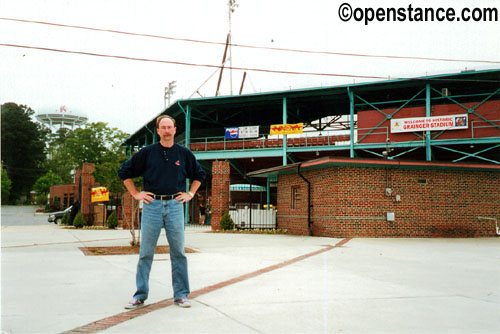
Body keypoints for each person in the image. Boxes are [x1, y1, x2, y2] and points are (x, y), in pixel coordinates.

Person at [118, 115, 205, 309]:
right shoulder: (147, 153)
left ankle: (181, 295)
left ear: (175, 130)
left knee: (179, 253)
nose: (166, 131)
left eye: (169, 127)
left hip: (174, 205)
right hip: (152, 206)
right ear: (158, 131)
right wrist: (135, 194)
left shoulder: (184, 154)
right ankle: (140, 295)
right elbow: (124, 172)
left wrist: (190, 193)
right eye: (163, 128)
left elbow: (199, 175)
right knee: (145, 253)